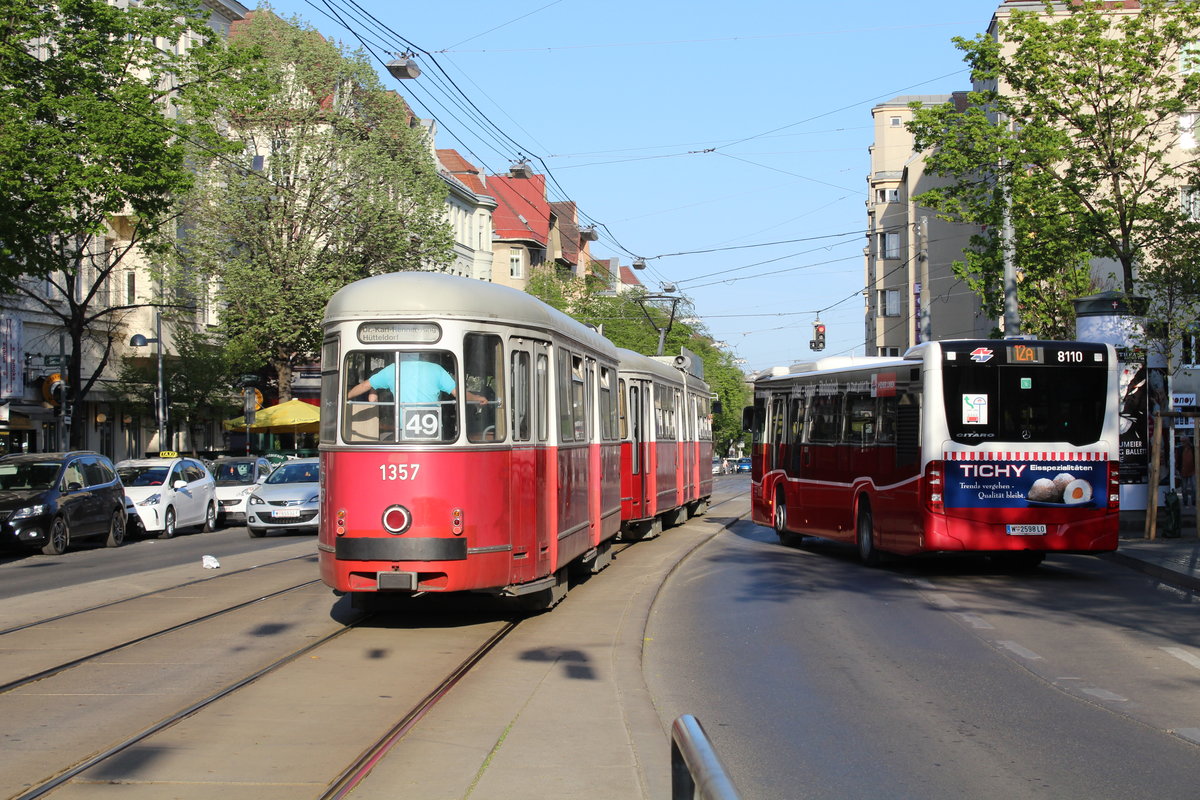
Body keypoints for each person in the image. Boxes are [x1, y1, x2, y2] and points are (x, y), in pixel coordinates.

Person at [347, 357, 488, 407]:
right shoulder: (436, 369)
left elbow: (365, 385)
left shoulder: (392, 369)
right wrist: (477, 398)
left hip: (401, 429)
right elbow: (457, 393)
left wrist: (344, 398)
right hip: (431, 429)